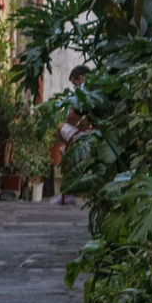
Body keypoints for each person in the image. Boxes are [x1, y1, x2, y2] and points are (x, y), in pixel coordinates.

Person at [54, 64, 92, 206]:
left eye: (75, 84)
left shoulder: (85, 90)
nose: (75, 88)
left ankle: (67, 193)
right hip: (98, 132)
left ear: (81, 79)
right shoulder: (100, 87)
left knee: (61, 127)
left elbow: (71, 119)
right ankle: (68, 193)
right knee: (65, 149)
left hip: (91, 135)